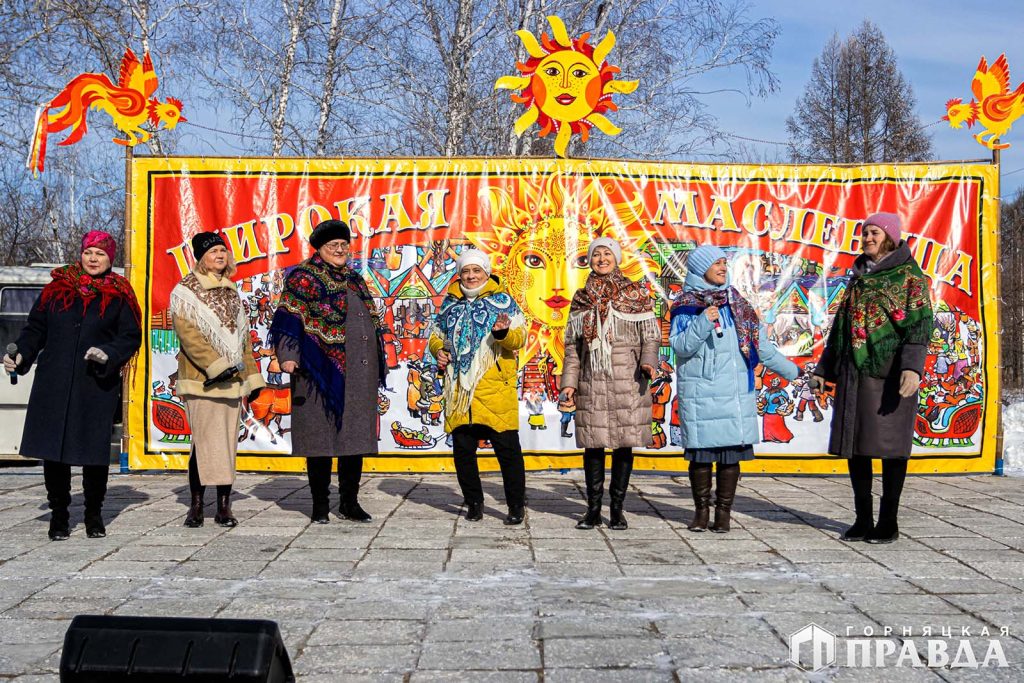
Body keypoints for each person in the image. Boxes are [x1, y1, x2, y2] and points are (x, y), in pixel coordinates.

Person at [4, 231, 141, 540]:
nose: (93, 258)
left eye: (100, 254)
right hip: (54, 382)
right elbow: (35, 329)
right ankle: (60, 515)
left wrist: (110, 354)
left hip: (95, 383)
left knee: (94, 454)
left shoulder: (119, 294)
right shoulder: (55, 289)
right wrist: (22, 354)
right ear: (81, 254)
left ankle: (94, 514)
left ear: (110, 259)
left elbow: (131, 336)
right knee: (54, 453)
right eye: (89, 252)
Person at [814, 212, 933, 544]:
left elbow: (920, 326)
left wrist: (912, 367)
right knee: (857, 449)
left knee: (892, 449)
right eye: (864, 232)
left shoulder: (909, 278)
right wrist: (824, 370)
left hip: (889, 376)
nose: (867, 238)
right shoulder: (858, 277)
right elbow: (841, 328)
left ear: (890, 237)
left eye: (874, 233)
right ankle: (863, 519)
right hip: (854, 374)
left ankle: (889, 522)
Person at [670, 245, 798, 533]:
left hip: (735, 394)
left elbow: (763, 350)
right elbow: (681, 347)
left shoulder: (738, 304)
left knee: (730, 457)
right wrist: (704, 321)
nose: (722, 269)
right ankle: (701, 512)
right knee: (701, 457)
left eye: (723, 264)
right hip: (701, 393)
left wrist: (797, 373)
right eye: (716, 264)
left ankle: (723, 513)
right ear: (700, 268)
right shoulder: (685, 304)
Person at [270, 220, 388, 524]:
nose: (340, 249)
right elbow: (288, 319)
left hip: (358, 375)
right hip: (318, 372)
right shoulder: (303, 278)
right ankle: (320, 505)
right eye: (333, 245)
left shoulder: (355, 280)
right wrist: (288, 357)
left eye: (343, 244)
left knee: (354, 443)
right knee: (319, 442)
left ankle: (350, 503)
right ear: (319, 249)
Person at [559, 237, 660, 531]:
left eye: (607, 254)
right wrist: (569, 382)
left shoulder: (636, 294)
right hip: (593, 380)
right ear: (590, 260)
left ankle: (617, 509)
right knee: (593, 446)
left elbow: (650, 336)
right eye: (596, 254)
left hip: (628, 381)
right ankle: (592, 509)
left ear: (617, 258)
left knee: (624, 446)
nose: (602, 258)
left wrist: (648, 361)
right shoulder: (581, 299)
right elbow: (572, 348)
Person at [170, 232, 265, 528]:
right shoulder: (186, 291)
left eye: (223, 250)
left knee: (226, 442)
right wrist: (216, 366)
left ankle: (224, 506)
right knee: (204, 441)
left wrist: (252, 378)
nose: (220, 256)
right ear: (201, 258)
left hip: (233, 380)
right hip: (203, 379)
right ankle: (197, 505)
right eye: (213, 252)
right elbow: (190, 337)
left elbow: (242, 340)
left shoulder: (231, 290)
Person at [430, 249, 527, 524]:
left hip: (494, 387)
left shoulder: (504, 301)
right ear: (459, 274)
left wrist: (503, 334)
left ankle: (515, 506)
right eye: (466, 271)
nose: (471, 276)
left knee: (508, 452)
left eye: (476, 271)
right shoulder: (450, 303)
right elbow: (436, 336)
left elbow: (520, 337)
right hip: (460, 390)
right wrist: (438, 350)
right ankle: (474, 503)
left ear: (486, 272)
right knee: (463, 452)